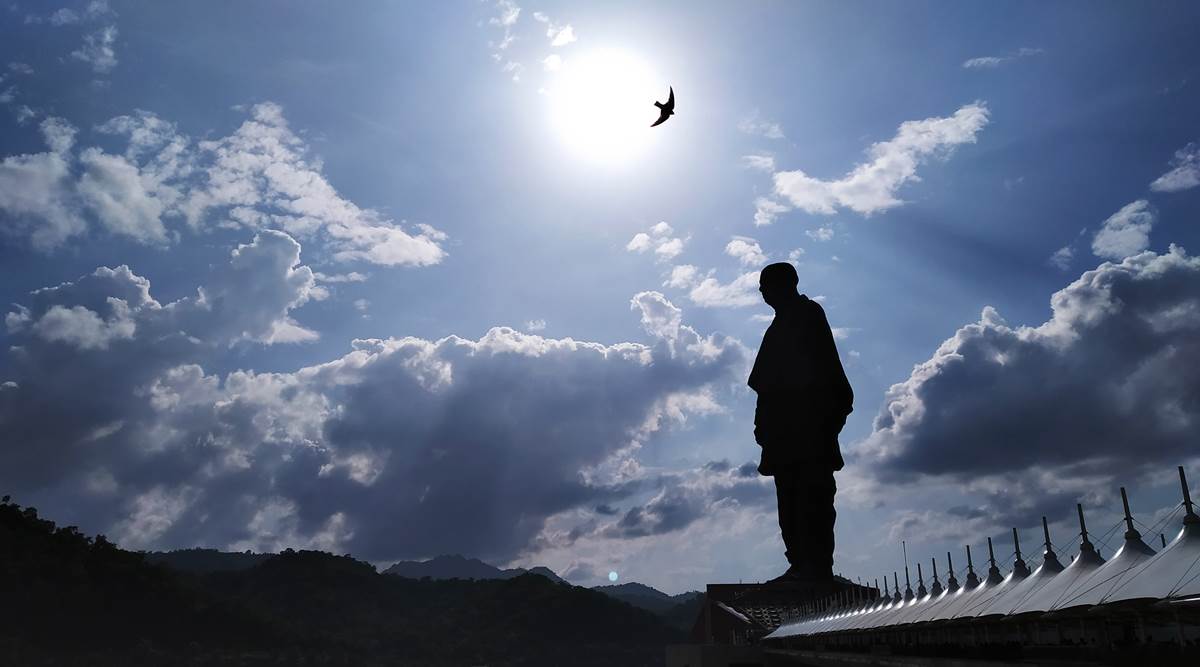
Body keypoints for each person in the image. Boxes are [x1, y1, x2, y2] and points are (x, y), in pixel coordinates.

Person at [749, 262, 853, 585]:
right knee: (789, 502)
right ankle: (799, 563)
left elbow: (825, 374)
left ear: (786, 285)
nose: (763, 293)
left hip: (809, 429)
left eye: (766, 285)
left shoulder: (808, 315)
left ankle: (816, 566)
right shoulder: (776, 327)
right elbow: (765, 386)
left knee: (813, 499)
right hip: (784, 435)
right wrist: (763, 424)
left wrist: (822, 419)